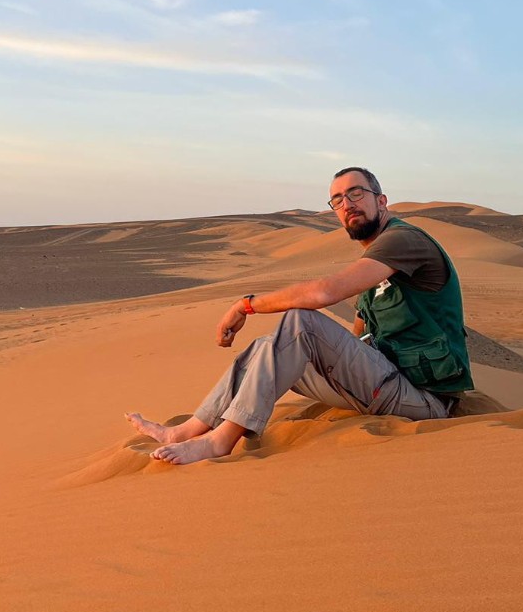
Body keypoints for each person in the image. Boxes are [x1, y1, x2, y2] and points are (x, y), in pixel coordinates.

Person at [126, 166, 474, 465]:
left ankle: (221, 441)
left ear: (381, 201)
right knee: (267, 347)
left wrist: (245, 305)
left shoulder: (403, 241)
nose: (347, 204)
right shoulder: (375, 265)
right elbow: (356, 341)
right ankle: (184, 431)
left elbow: (323, 294)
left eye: (356, 193)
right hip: (385, 385)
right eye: (337, 200)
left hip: (424, 400)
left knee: (301, 322)